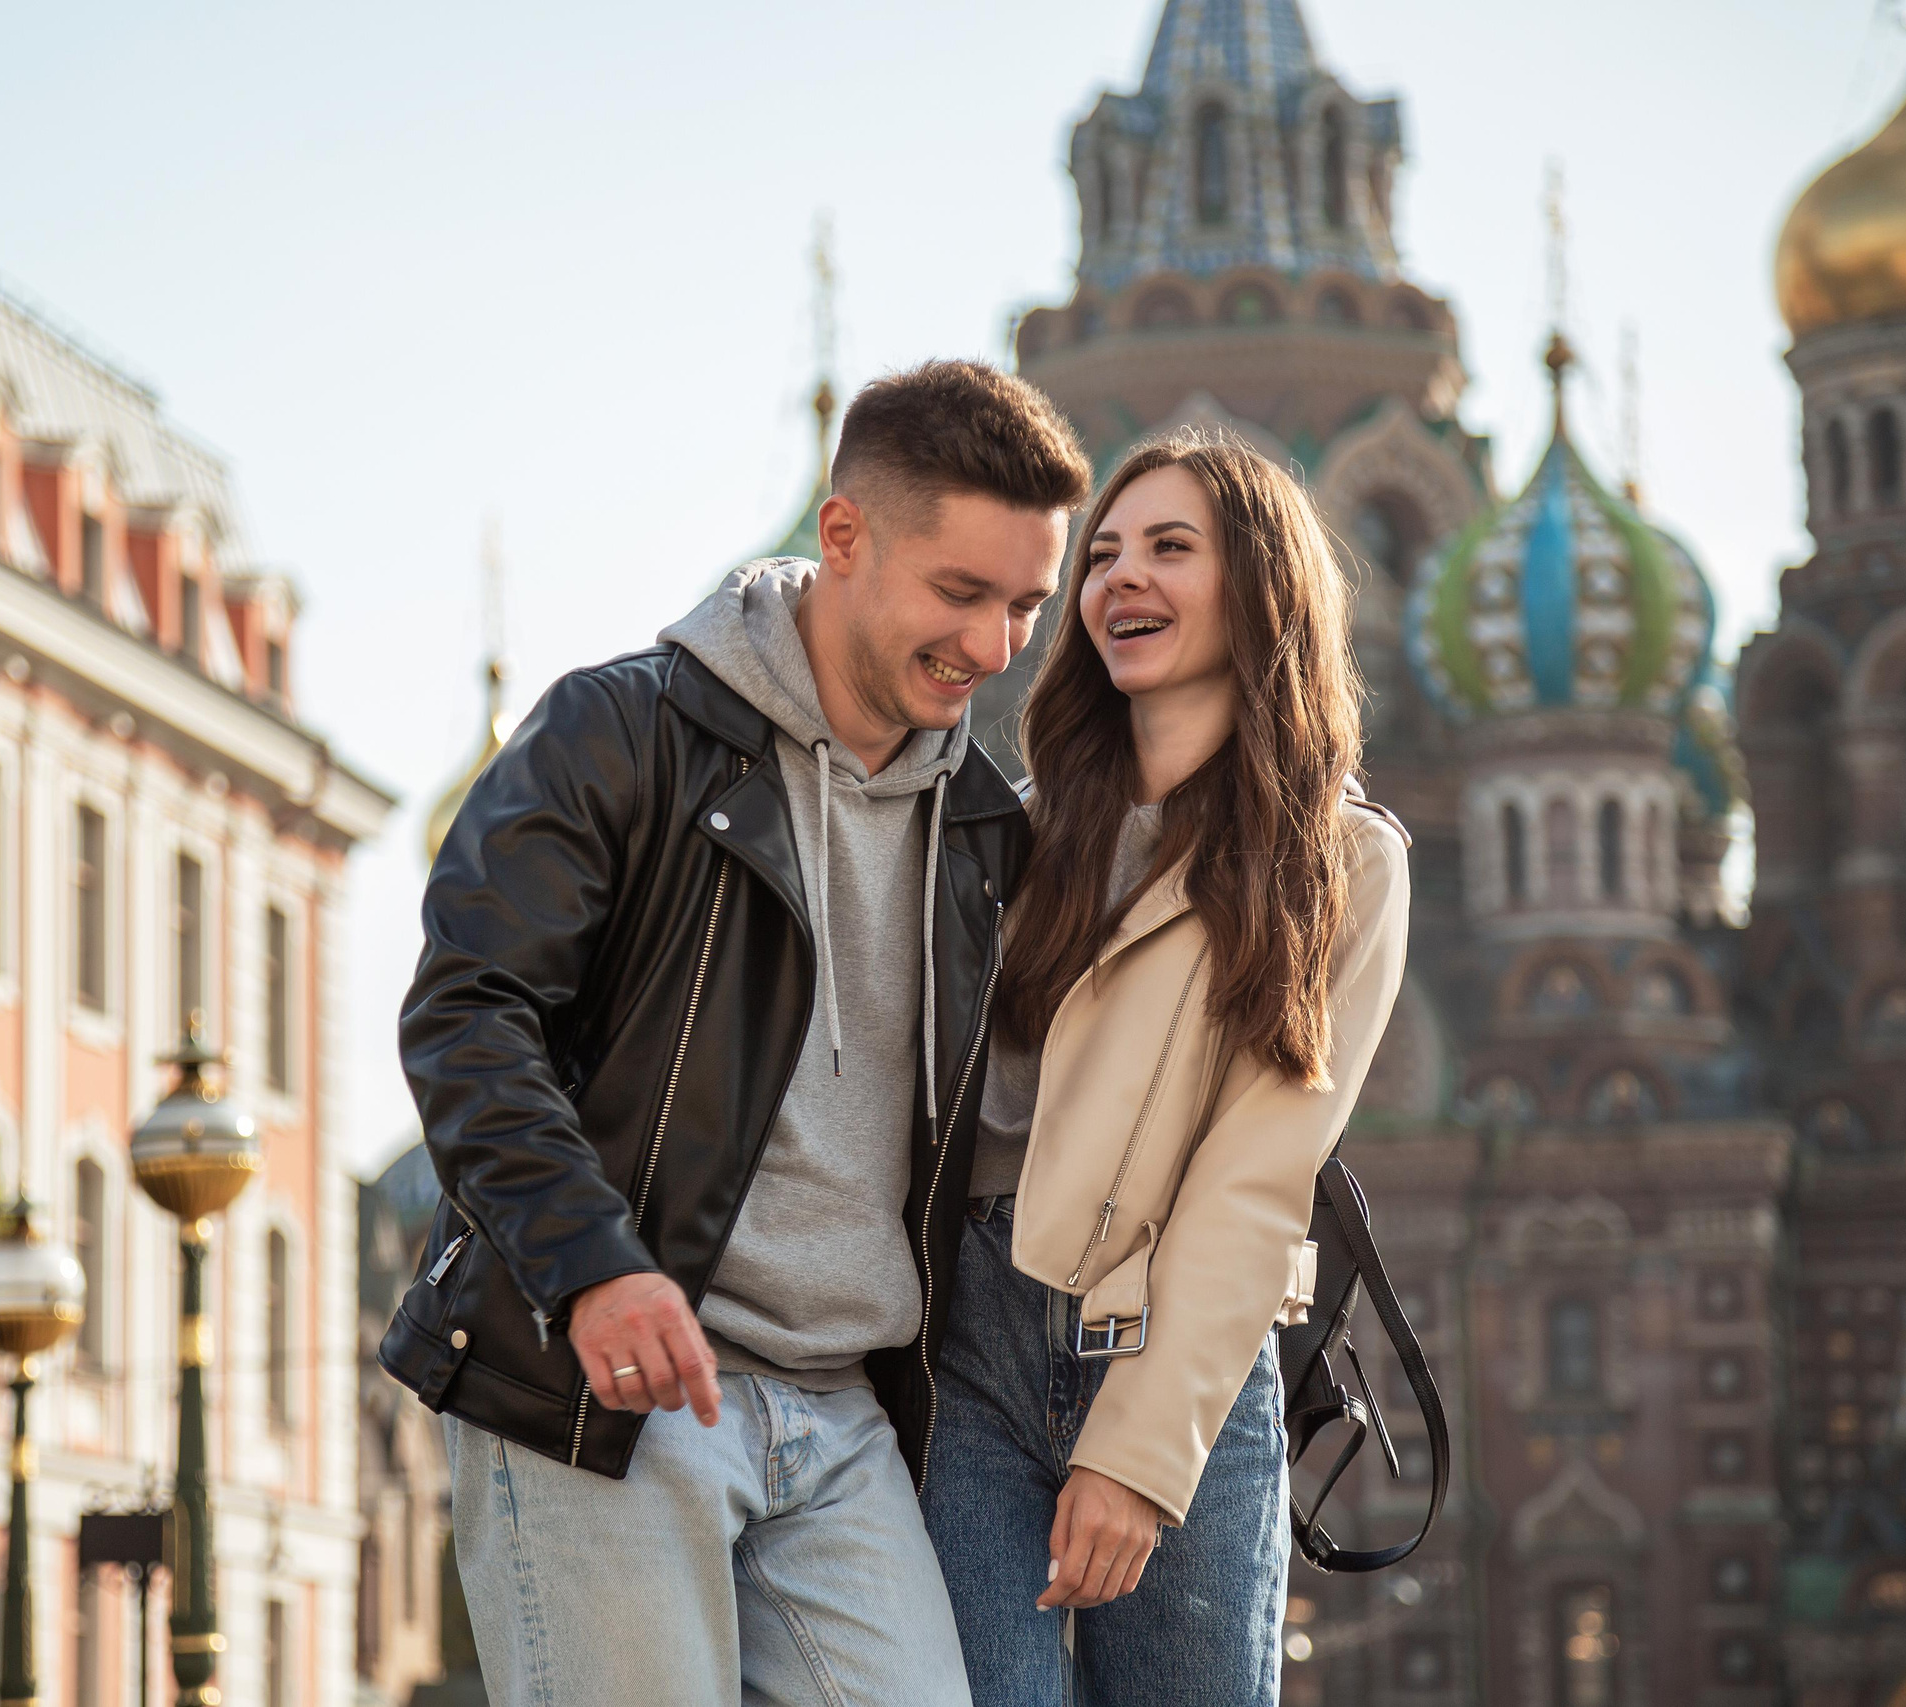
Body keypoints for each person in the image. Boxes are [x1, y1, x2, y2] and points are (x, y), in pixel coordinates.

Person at [384, 360, 1091, 1707]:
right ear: (844, 536)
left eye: (1024, 604)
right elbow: (467, 1011)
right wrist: (594, 1265)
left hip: (845, 1418)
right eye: (962, 592)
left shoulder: (989, 831)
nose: (996, 646)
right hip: (608, 1384)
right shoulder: (621, 730)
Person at [921, 432, 1413, 1707]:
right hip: (966, 1346)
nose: (1118, 579)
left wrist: (1138, 1454)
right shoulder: (1011, 834)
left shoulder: (1341, 864)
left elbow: (1255, 1179)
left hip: (1172, 1347)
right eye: (1102, 555)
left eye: (1169, 548)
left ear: (1260, 586)